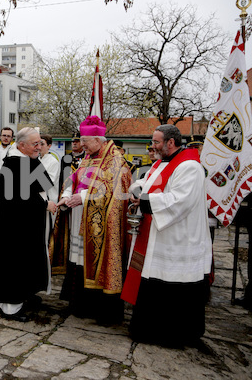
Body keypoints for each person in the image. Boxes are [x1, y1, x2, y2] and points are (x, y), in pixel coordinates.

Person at [124, 124, 213, 347]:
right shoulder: (163, 163)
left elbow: (180, 200)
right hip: (158, 237)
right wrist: (137, 191)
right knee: (153, 281)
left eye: (156, 142)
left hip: (179, 239)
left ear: (170, 143)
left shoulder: (190, 166)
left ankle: (174, 335)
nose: (151, 146)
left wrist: (145, 200)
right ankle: (148, 329)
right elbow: (145, 183)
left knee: (172, 285)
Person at [51, 116, 131, 325]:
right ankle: (80, 304)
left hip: (100, 224)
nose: (82, 144)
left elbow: (116, 191)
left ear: (98, 139)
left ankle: (99, 309)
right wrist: (68, 193)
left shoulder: (115, 160)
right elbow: (74, 178)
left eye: (85, 140)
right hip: (79, 217)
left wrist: (84, 198)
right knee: (78, 260)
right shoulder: (88, 156)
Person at [0, 127, 56, 322]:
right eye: (35, 144)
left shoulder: (28, 160)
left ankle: (25, 295)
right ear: (21, 145)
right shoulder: (15, 163)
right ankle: (10, 307)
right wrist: (44, 204)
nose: (39, 147)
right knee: (14, 264)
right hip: (13, 229)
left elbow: (43, 184)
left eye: (40, 143)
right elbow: (16, 198)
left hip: (28, 225)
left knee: (28, 262)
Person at [40, 134, 60, 243]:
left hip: (48, 199)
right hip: (38, 200)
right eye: (37, 143)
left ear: (49, 146)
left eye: (42, 144)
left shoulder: (53, 162)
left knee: (46, 234)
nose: (39, 146)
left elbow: (47, 183)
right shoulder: (37, 159)